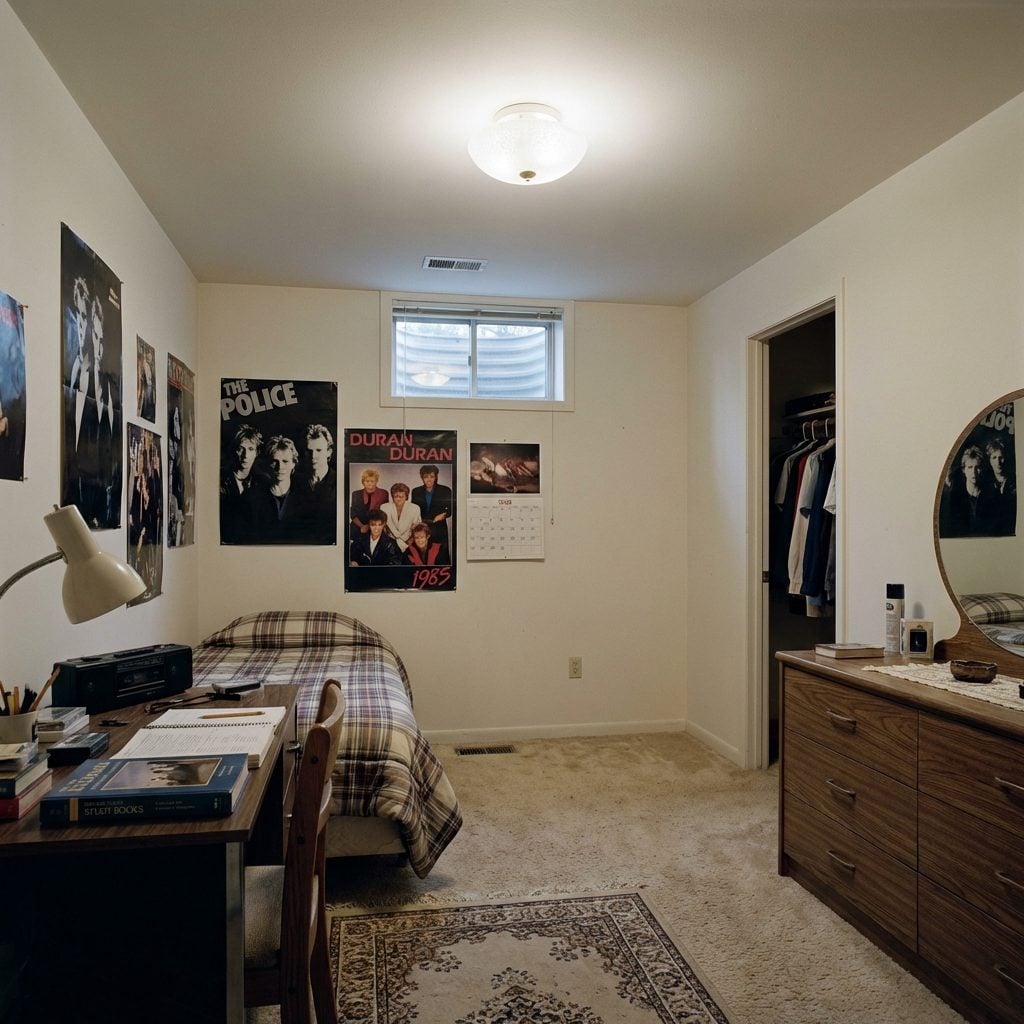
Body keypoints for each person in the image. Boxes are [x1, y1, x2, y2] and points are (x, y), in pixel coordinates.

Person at [244, 435, 303, 543]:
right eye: (275, 461)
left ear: (293, 464)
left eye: (285, 461)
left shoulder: (304, 498)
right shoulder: (254, 497)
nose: (280, 467)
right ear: (267, 464)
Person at [940, 444, 1001, 537]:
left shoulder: (992, 494)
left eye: (977, 467)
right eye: (970, 467)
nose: (974, 472)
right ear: (963, 470)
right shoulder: (955, 496)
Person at [220, 423, 262, 543]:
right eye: (240, 449)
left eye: (250, 449)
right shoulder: (220, 478)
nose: (245, 455)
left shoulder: (263, 482)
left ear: (257, 452)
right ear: (234, 450)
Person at [297, 423, 337, 543]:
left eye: (319, 450)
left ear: (329, 452)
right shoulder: (295, 481)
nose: (313, 456)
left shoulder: (339, 481)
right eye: (309, 451)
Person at [410, 464, 453, 547]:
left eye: (432, 476)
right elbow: (414, 509)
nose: (429, 479)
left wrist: (442, 516)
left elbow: (451, 509)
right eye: (426, 477)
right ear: (422, 478)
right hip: (422, 527)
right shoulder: (416, 491)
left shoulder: (445, 490)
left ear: (436, 477)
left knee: (439, 552)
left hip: (439, 527)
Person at [985, 436, 1017, 535]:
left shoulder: (1014, 482)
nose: (998, 462)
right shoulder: (986, 484)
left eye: (1001, 457)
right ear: (989, 460)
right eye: (994, 458)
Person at [349, 467, 388, 543]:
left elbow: (384, 514)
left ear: (376, 481)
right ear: (363, 482)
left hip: (376, 526)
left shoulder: (384, 493)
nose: (369, 483)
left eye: (372, 481)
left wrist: (372, 526)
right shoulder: (356, 494)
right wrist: (362, 526)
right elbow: (353, 514)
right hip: (359, 526)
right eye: (367, 481)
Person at [380, 481, 420, 551]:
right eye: (396, 496)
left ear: (406, 497)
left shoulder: (415, 508)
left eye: (401, 496)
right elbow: (384, 528)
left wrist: (408, 543)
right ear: (392, 496)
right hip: (390, 542)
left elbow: (417, 528)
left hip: (409, 542)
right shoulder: (384, 507)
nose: (398, 499)